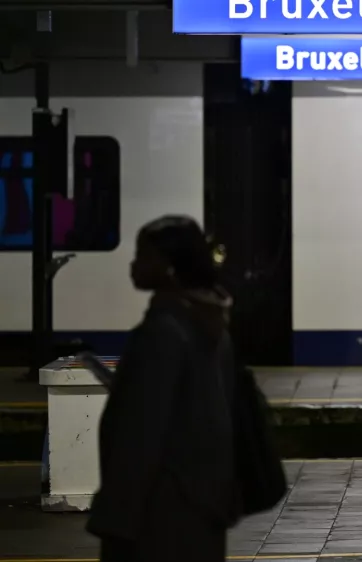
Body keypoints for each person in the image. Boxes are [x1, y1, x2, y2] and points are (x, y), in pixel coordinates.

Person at [84, 215, 239, 561]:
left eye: (142, 255)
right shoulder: (212, 324)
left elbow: (139, 434)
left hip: (155, 517)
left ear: (169, 267)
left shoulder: (163, 333)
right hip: (200, 510)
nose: (133, 264)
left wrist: (115, 519)